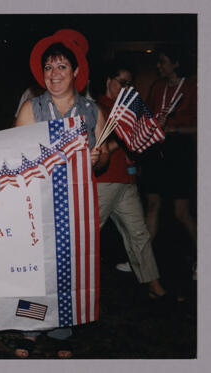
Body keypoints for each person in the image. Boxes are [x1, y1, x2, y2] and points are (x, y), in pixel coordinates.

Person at [14, 29, 109, 359]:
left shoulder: (91, 112)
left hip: (74, 204)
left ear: (76, 72)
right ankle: (30, 328)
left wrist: (99, 158)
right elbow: (15, 155)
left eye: (61, 67)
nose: (54, 74)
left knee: (67, 266)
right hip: (38, 202)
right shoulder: (32, 109)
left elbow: (105, 155)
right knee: (34, 266)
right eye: (49, 68)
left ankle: (60, 329)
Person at [95, 61, 167, 299]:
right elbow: (97, 150)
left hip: (126, 180)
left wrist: (151, 129)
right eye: (121, 82)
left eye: (129, 85)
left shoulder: (126, 109)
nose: (125, 88)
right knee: (86, 235)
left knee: (139, 234)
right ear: (108, 80)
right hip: (104, 180)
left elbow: (138, 145)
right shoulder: (96, 108)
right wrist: (127, 140)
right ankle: (66, 286)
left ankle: (153, 284)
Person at [139, 47, 197, 291]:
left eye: (162, 61)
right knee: (152, 205)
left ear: (176, 62)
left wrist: (172, 130)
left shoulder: (193, 87)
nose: (159, 67)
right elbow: (149, 117)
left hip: (179, 151)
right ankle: (143, 263)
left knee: (180, 212)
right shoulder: (157, 87)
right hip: (157, 150)